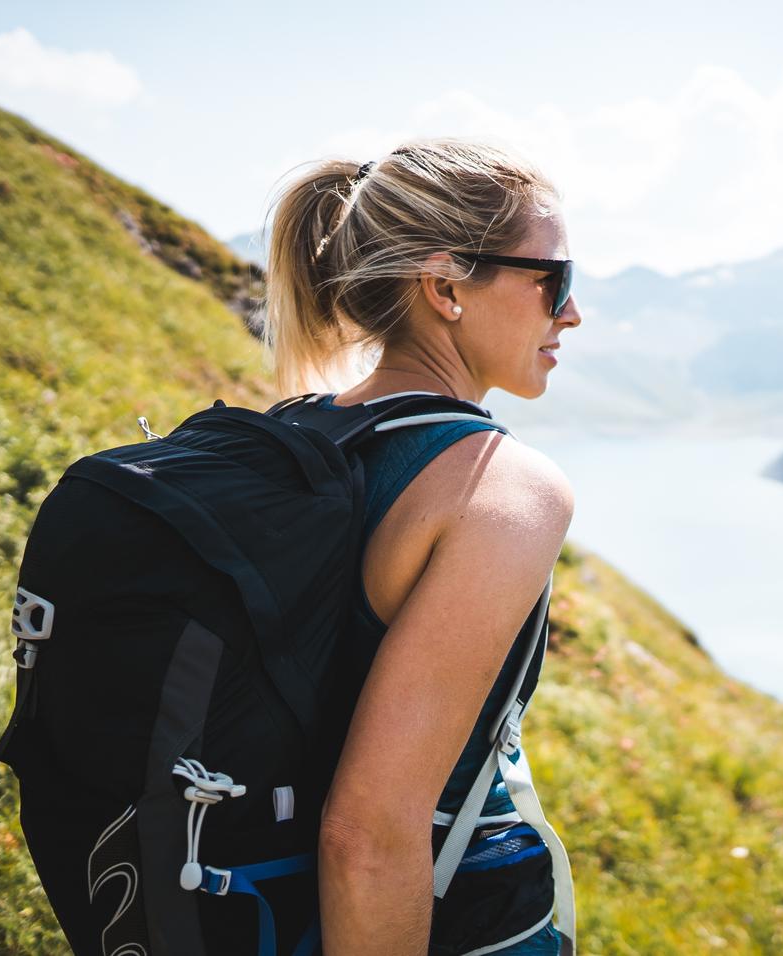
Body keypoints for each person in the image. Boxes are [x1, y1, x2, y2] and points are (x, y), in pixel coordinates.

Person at [262, 138, 583, 955]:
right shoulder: (500, 487)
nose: (571, 313)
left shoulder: (289, 435)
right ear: (445, 286)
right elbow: (368, 836)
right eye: (553, 279)